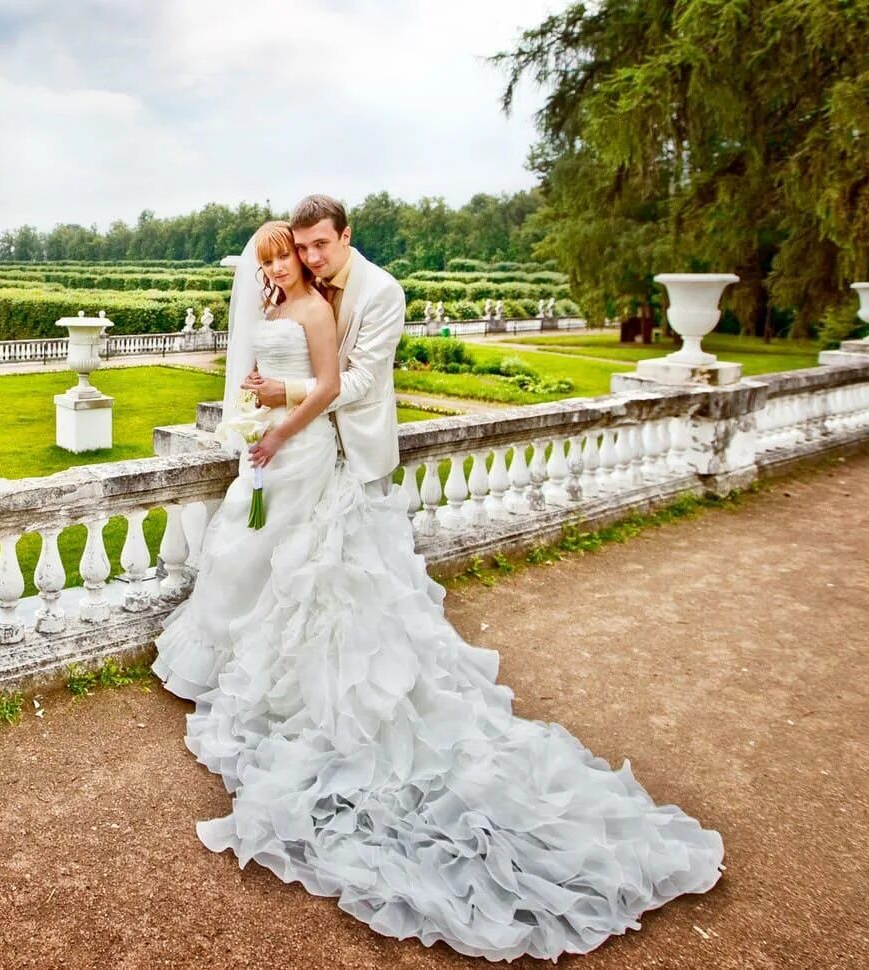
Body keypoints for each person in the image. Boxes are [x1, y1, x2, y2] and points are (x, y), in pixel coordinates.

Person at [154, 199, 724, 962]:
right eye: (303, 248)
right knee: (282, 566)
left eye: (321, 246)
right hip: (302, 451)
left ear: (345, 237)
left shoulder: (379, 293)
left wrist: (280, 407)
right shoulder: (297, 288)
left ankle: (332, 691)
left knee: (337, 579)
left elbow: (351, 385)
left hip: (340, 447)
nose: (313, 258)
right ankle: (257, 669)